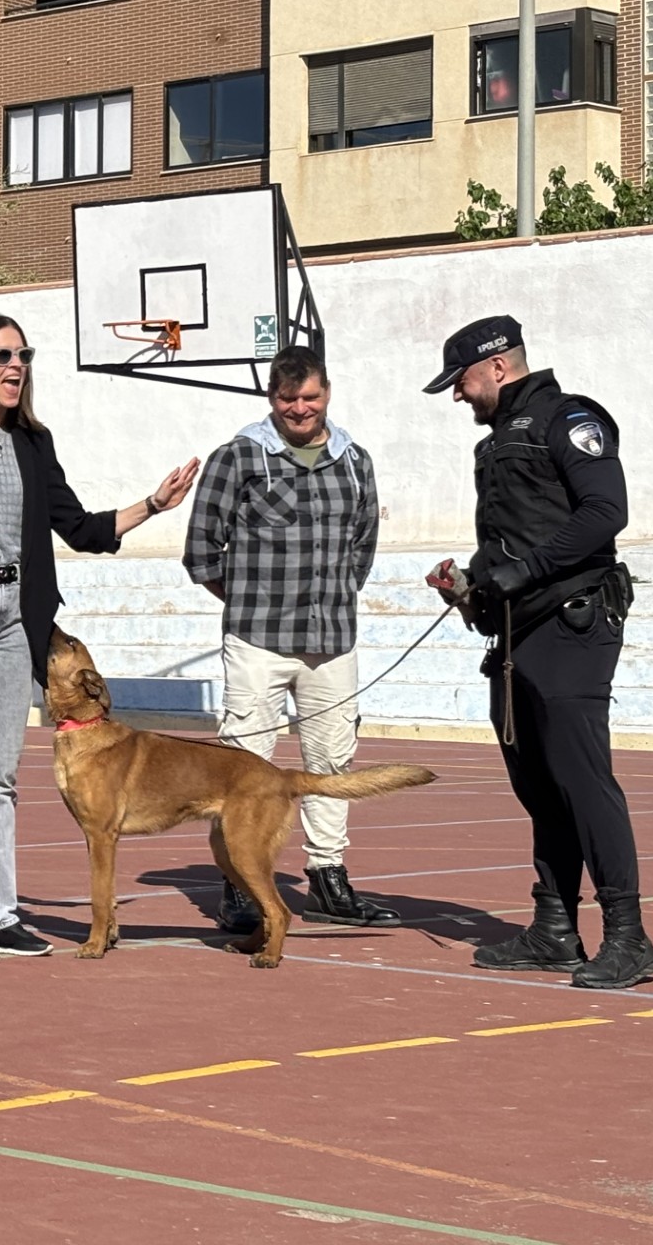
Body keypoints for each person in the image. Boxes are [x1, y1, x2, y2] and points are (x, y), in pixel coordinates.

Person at [0, 314, 198, 962]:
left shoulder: (35, 443)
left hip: (18, 620)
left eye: (24, 355)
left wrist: (152, 504)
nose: (17, 367)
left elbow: (81, 527)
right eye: (4, 355)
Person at [424, 315, 653, 989]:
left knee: (583, 779)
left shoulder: (570, 418)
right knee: (538, 784)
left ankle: (629, 937)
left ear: (498, 366)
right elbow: (512, 538)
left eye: (461, 381)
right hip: (515, 631)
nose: (457, 396)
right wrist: (469, 584)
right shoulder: (496, 442)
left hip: (572, 622)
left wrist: (522, 572)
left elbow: (603, 513)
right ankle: (554, 930)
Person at [184, 345, 397, 933]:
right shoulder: (240, 458)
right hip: (257, 640)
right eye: (288, 399)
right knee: (242, 770)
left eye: (310, 397)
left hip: (332, 640)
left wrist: (334, 595)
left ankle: (328, 877)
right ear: (271, 400)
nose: (300, 408)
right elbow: (201, 548)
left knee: (332, 761)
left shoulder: (356, 461)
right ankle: (237, 884)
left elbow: (363, 543)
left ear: (327, 392)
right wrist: (251, 600)